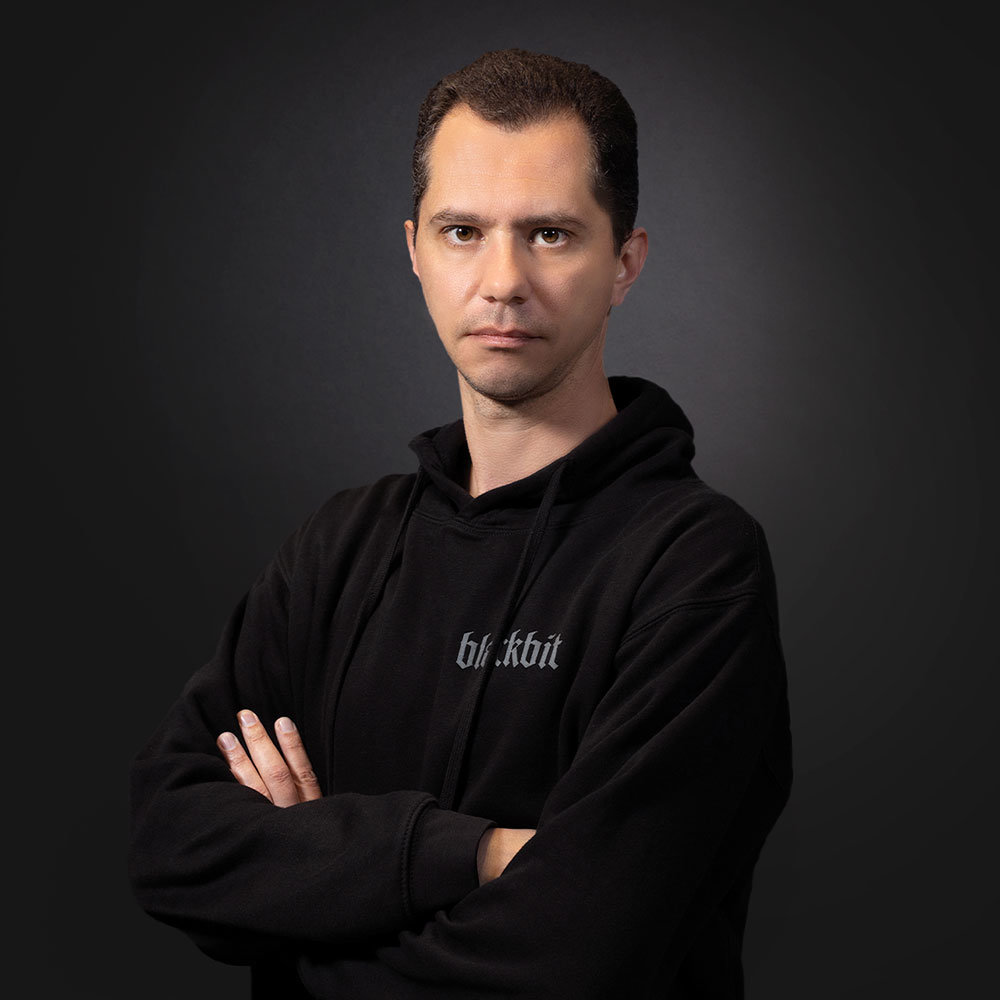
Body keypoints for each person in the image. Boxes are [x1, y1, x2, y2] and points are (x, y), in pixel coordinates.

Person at [129, 48, 792, 999]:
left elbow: (577, 958)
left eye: (551, 234)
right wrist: (473, 856)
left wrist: (303, 889)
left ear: (625, 262)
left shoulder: (695, 568)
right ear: (415, 251)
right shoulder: (338, 550)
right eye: (462, 231)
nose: (502, 279)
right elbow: (168, 840)